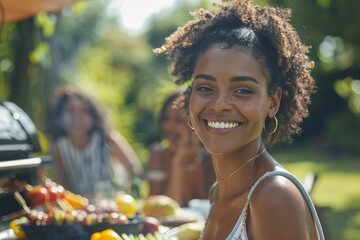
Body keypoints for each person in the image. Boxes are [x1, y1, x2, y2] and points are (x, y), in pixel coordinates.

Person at [154, 0, 325, 239]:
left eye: (242, 90)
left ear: (272, 102)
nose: (220, 104)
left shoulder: (274, 196)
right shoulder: (218, 192)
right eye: (205, 88)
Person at [51, 86, 143, 199]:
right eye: (71, 110)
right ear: (60, 117)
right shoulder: (60, 148)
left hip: (114, 206)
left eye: (83, 110)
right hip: (82, 210)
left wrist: (124, 193)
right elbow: (62, 187)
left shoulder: (107, 139)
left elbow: (135, 169)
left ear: (93, 116)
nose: (77, 116)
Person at [147, 90, 216, 207]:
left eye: (179, 120)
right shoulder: (158, 155)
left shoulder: (213, 159)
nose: (169, 126)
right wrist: (178, 164)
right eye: (166, 119)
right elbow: (164, 210)